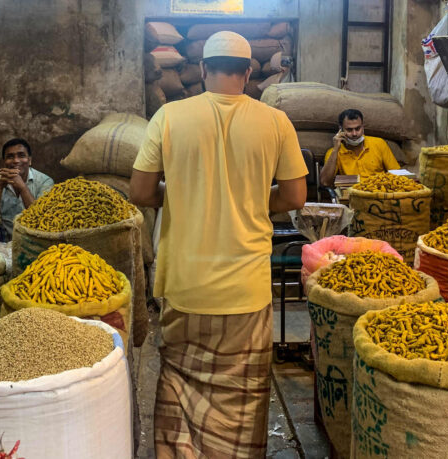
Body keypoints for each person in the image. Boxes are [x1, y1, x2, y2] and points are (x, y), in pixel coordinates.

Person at [130, 31, 307, 458]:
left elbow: (139, 191)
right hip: (245, 292)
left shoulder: (169, 117)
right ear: (247, 73)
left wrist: (177, 196)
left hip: (185, 287)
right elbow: (295, 197)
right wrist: (252, 199)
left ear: (204, 68)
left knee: (178, 395)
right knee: (242, 407)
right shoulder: (275, 121)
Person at [0, 138, 54, 241]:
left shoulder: (45, 181)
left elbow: (41, 217)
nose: (16, 161)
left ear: (30, 160)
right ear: (4, 162)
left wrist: (22, 187)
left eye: (21, 156)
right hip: (6, 234)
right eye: (10, 157)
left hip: (34, 233)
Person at [319, 109, 401, 187]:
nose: (354, 134)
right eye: (349, 130)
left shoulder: (379, 143)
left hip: (379, 192)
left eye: (358, 129)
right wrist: (336, 149)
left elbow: (397, 174)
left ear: (363, 127)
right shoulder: (334, 152)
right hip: (352, 195)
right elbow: (325, 182)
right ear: (340, 130)